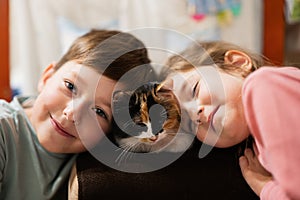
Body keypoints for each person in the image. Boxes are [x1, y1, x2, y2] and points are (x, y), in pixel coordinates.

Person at [0, 29, 154, 199]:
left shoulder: (92, 163)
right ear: (46, 77)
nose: (72, 113)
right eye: (70, 87)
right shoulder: (3, 130)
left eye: (99, 111)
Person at [162, 41, 300, 200]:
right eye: (189, 124)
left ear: (237, 63)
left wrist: (266, 189)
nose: (195, 114)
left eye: (193, 90)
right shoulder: (259, 152)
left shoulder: (263, 84)